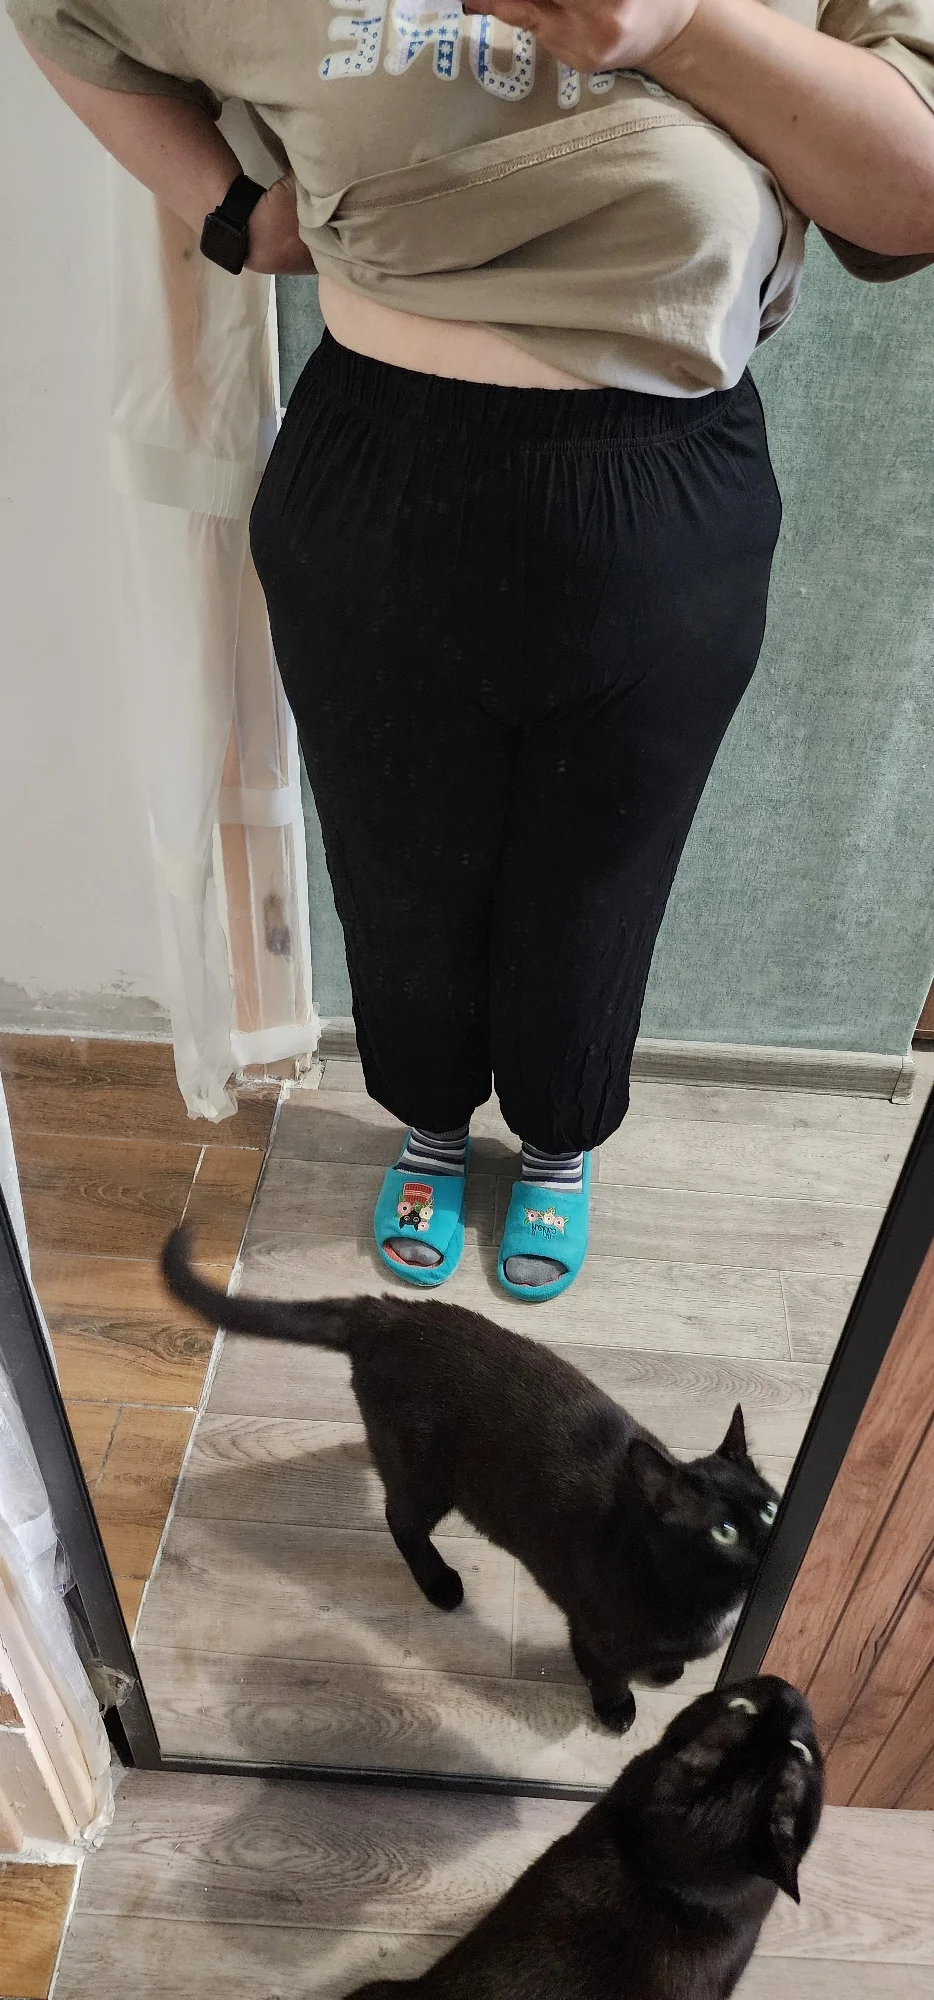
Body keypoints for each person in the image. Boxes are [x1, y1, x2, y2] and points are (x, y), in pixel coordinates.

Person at [11, 0, 934, 1301]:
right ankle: (430, 1121)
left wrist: (673, 27)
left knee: (598, 880)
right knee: (397, 865)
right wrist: (235, 217)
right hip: (373, 475)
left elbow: (911, 196)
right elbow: (60, 13)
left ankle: (559, 1134)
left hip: (660, 495)